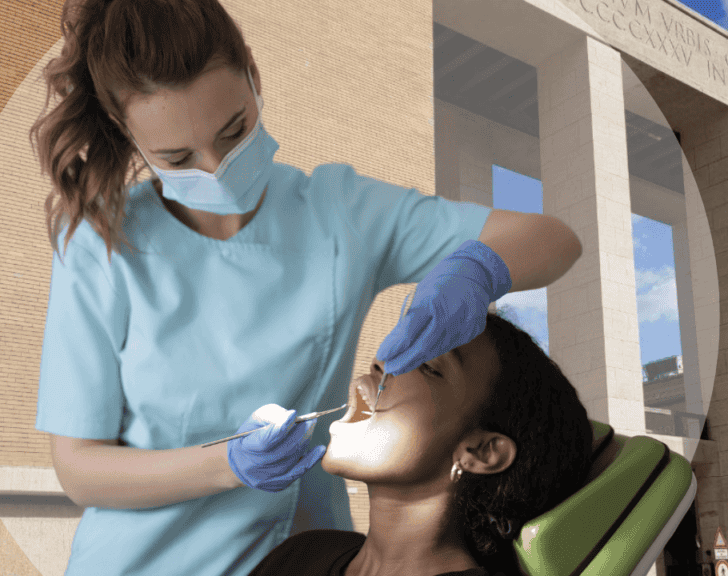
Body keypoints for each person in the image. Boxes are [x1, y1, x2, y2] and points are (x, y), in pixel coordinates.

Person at [28, 1, 583, 574]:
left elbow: (553, 240)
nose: (216, 166)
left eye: (233, 130)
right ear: (126, 131)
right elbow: (80, 468)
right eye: (177, 156)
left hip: (299, 552)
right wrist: (229, 464)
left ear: (253, 76)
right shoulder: (100, 241)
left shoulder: (342, 214)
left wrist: (480, 268)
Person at [249, 311, 594, 576]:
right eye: (395, 349)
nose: (382, 362)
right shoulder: (305, 552)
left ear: (482, 451)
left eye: (428, 366)